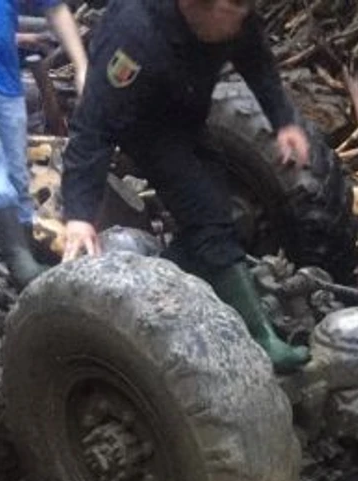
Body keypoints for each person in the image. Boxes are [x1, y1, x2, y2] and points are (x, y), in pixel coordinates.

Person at [60, 0, 314, 370]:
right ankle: (261, 340)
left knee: (221, 213)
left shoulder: (234, 15)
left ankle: (161, 286)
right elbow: (94, 125)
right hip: (143, 122)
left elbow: (257, 61)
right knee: (208, 216)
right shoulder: (135, 36)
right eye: (235, 13)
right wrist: (79, 214)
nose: (244, 19)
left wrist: (284, 121)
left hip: (188, 111)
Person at [0, 1, 88, 288]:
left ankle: (25, 251)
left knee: (17, 176)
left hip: (5, 83)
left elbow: (55, 9)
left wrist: (81, 66)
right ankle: (21, 264)